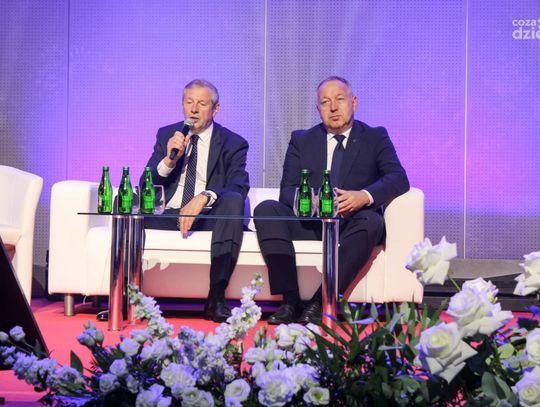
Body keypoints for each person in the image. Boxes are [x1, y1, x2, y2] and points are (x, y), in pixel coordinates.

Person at [254, 76, 409, 325]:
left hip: (352, 223)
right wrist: (308, 199)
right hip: (311, 222)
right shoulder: (302, 139)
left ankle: (319, 302)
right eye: (325, 102)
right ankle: (290, 301)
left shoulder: (375, 137)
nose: (333, 108)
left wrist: (363, 196)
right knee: (266, 209)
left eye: (339, 100)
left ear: (353, 102)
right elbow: (287, 190)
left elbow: (398, 178)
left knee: (372, 222)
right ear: (318, 109)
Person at [142, 79, 249, 322]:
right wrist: (169, 160)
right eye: (189, 102)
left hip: (208, 218)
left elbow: (238, 186)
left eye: (201, 103)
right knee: (129, 209)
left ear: (215, 109)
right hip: (169, 215)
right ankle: (125, 295)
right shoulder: (167, 134)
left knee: (233, 201)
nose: (193, 109)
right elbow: (145, 185)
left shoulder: (233, 143)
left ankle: (216, 298)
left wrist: (204, 196)